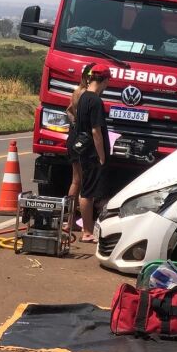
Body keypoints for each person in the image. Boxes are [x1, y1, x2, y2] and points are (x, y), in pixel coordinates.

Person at [75, 63, 111, 243]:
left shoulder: (83, 97)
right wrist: (102, 155)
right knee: (88, 191)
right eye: (107, 81)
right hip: (92, 152)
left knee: (86, 189)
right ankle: (87, 231)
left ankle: (87, 229)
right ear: (104, 80)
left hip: (83, 148)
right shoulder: (96, 101)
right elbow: (96, 131)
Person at [65, 62, 95, 209]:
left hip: (74, 138)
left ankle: (69, 220)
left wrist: (75, 124)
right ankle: (76, 220)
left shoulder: (77, 91)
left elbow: (69, 110)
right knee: (82, 182)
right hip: (83, 141)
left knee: (75, 180)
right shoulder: (88, 95)